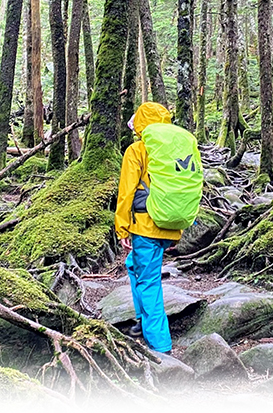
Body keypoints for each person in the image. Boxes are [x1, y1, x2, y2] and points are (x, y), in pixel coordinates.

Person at [114, 101, 183, 355]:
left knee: (149, 282)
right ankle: (142, 322)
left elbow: (126, 192)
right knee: (134, 265)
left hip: (145, 227)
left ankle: (160, 344)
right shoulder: (175, 149)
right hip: (170, 224)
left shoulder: (137, 150)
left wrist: (122, 227)